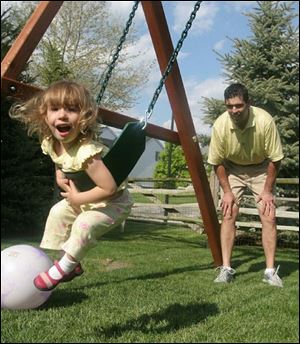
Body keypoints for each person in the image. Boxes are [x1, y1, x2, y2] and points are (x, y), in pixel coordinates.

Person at [9, 80, 133, 291]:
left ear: (84, 117)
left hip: (112, 204)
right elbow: (59, 161)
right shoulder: (51, 143)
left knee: (85, 224)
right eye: (55, 109)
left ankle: (64, 267)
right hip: (85, 199)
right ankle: (67, 263)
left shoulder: (87, 153)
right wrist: (59, 176)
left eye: (72, 109)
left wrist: (76, 199)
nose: (62, 115)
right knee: (57, 213)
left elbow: (108, 188)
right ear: (45, 115)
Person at [207, 83, 284, 287]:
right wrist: (227, 192)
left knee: (268, 214)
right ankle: (225, 269)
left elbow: (276, 159)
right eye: (229, 106)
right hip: (232, 169)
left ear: (249, 103)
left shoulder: (265, 121)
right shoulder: (220, 125)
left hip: (261, 168)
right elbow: (216, 162)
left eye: (239, 106)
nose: (234, 111)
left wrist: (267, 191)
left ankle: (269, 272)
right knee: (228, 212)